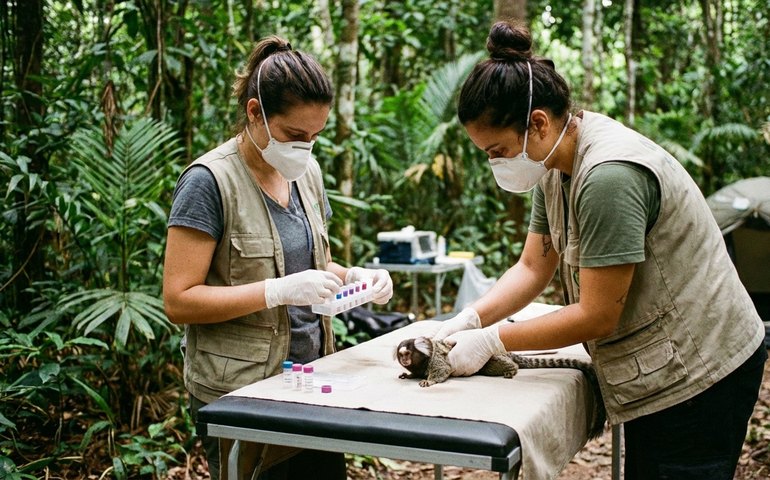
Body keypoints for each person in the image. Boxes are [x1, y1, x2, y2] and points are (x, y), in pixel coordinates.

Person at [435, 21, 766, 480]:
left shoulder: (610, 176)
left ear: (537, 123)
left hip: (703, 367)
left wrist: (493, 341)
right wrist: (468, 320)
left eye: (498, 150)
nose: (496, 163)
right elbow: (533, 267)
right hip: (662, 363)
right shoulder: (550, 162)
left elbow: (597, 315)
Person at [162, 35, 393, 480]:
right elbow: (178, 300)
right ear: (255, 113)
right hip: (240, 392)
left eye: (315, 136)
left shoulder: (306, 172)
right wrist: (275, 292)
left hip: (311, 381)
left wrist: (356, 278)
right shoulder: (208, 182)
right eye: (294, 135)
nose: (305, 147)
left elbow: (310, 262)